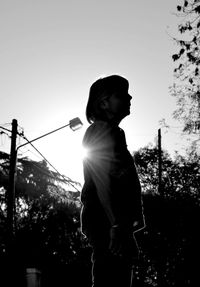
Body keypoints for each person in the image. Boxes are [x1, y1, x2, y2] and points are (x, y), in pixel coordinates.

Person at [80, 75, 145, 287]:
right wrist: (116, 223)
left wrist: (125, 227)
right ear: (103, 103)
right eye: (122, 94)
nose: (130, 97)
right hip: (106, 222)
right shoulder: (100, 130)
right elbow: (101, 179)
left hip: (113, 222)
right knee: (109, 279)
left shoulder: (115, 133)